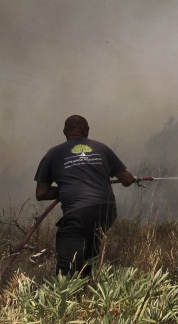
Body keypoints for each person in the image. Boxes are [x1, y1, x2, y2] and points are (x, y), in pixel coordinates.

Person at [35, 114, 136, 276]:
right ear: (86, 130)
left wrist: (69, 189)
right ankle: (87, 289)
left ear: (64, 132)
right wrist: (131, 179)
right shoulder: (101, 148)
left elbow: (41, 193)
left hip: (78, 212)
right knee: (89, 253)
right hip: (106, 210)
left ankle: (67, 294)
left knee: (67, 269)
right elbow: (126, 179)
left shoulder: (52, 154)